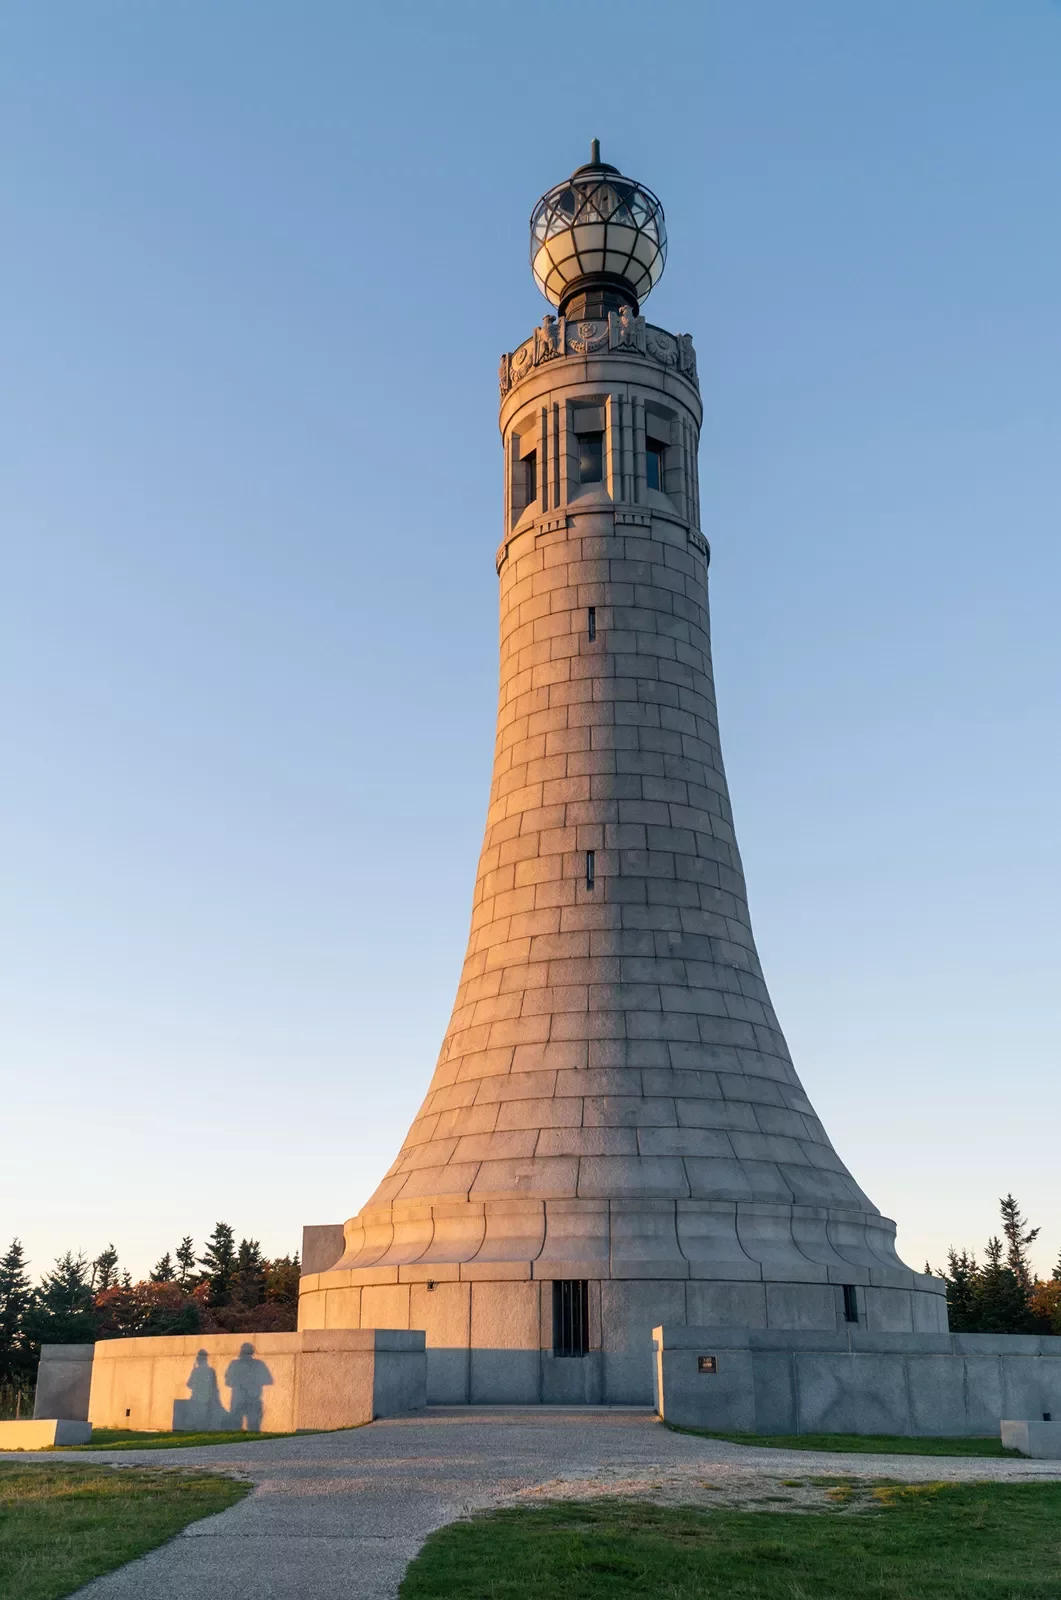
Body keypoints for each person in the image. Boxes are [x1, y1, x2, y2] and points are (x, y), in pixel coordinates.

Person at [224, 1342, 273, 1432]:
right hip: (239, 1398)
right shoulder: (234, 1364)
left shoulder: (258, 1364)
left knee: (253, 1426)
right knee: (236, 1425)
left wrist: (253, 1381)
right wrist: (240, 1382)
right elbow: (228, 1382)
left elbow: (268, 1380)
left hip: (253, 1398)